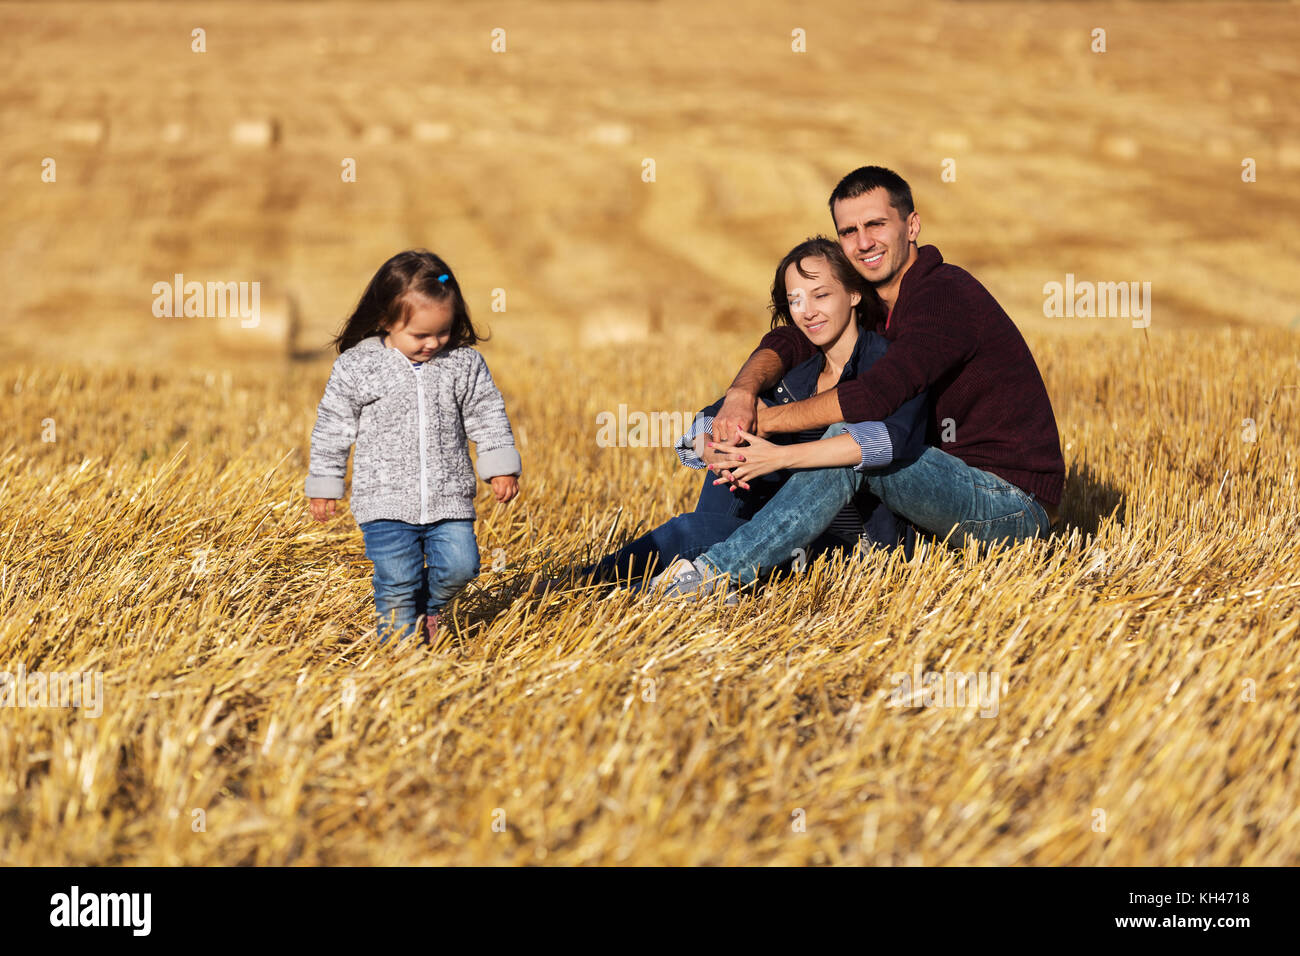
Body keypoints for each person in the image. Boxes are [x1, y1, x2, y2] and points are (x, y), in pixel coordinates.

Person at [656, 165, 1065, 601]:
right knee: (750, 442)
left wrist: (764, 427)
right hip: (930, 489)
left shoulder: (944, 294)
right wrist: (740, 400)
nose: (863, 241)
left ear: (912, 225)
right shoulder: (871, 301)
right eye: (848, 230)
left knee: (849, 443)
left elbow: (877, 395)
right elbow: (791, 339)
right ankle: (697, 552)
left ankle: (714, 576)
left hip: (1008, 504)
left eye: (875, 224)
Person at [574, 237, 928, 600]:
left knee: (691, 532)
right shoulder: (797, 372)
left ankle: (586, 590)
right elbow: (704, 425)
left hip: (851, 547)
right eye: (795, 300)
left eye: (821, 295)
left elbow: (889, 442)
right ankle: (605, 590)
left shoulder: (887, 365)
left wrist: (775, 455)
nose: (807, 311)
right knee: (728, 453)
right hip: (775, 528)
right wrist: (713, 446)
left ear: (854, 294)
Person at [305, 250, 521, 642]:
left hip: (449, 499)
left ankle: (431, 607)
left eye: (442, 331)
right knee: (397, 581)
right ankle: (399, 659)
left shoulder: (462, 364)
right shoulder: (359, 367)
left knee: (462, 567)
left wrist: (500, 464)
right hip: (384, 503)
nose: (433, 343)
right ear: (386, 320)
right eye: (420, 335)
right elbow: (332, 428)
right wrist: (324, 484)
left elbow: (487, 413)